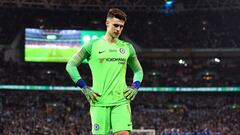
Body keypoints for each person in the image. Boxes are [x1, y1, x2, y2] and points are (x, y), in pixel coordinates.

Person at [66, 8, 143, 135]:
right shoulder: (92, 45)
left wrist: (135, 86)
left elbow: (138, 71)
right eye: (115, 25)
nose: (118, 29)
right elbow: (71, 65)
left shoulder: (127, 47)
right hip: (99, 101)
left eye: (121, 27)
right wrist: (84, 88)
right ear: (107, 23)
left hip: (121, 101)